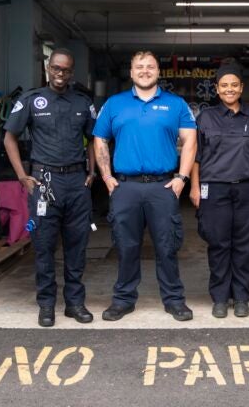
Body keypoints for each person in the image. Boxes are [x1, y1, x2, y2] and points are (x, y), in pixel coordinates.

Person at [93, 50, 197, 322]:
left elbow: (190, 140)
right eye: (139, 67)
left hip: (163, 187)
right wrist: (106, 177)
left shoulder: (176, 105)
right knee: (126, 247)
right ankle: (123, 300)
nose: (145, 71)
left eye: (150, 66)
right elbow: (99, 140)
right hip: (125, 188)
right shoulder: (114, 104)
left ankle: (174, 300)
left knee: (167, 246)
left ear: (158, 71)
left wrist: (182, 178)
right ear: (131, 72)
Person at [3, 48, 97, 327]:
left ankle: (75, 303)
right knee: (43, 245)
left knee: (77, 245)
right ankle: (46, 305)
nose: (60, 73)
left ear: (71, 72)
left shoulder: (82, 102)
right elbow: (10, 138)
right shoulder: (31, 100)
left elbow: (93, 138)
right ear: (48, 68)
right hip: (43, 183)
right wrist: (22, 175)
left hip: (77, 183)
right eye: (56, 68)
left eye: (65, 70)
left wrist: (91, 171)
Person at [190, 59, 249, 318]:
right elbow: (195, 157)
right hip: (214, 190)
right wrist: (194, 187)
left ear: (242, 88)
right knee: (218, 244)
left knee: (244, 246)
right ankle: (219, 297)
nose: (229, 89)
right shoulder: (205, 117)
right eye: (224, 85)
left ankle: (240, 298)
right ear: (217, 89)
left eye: (234, 85)